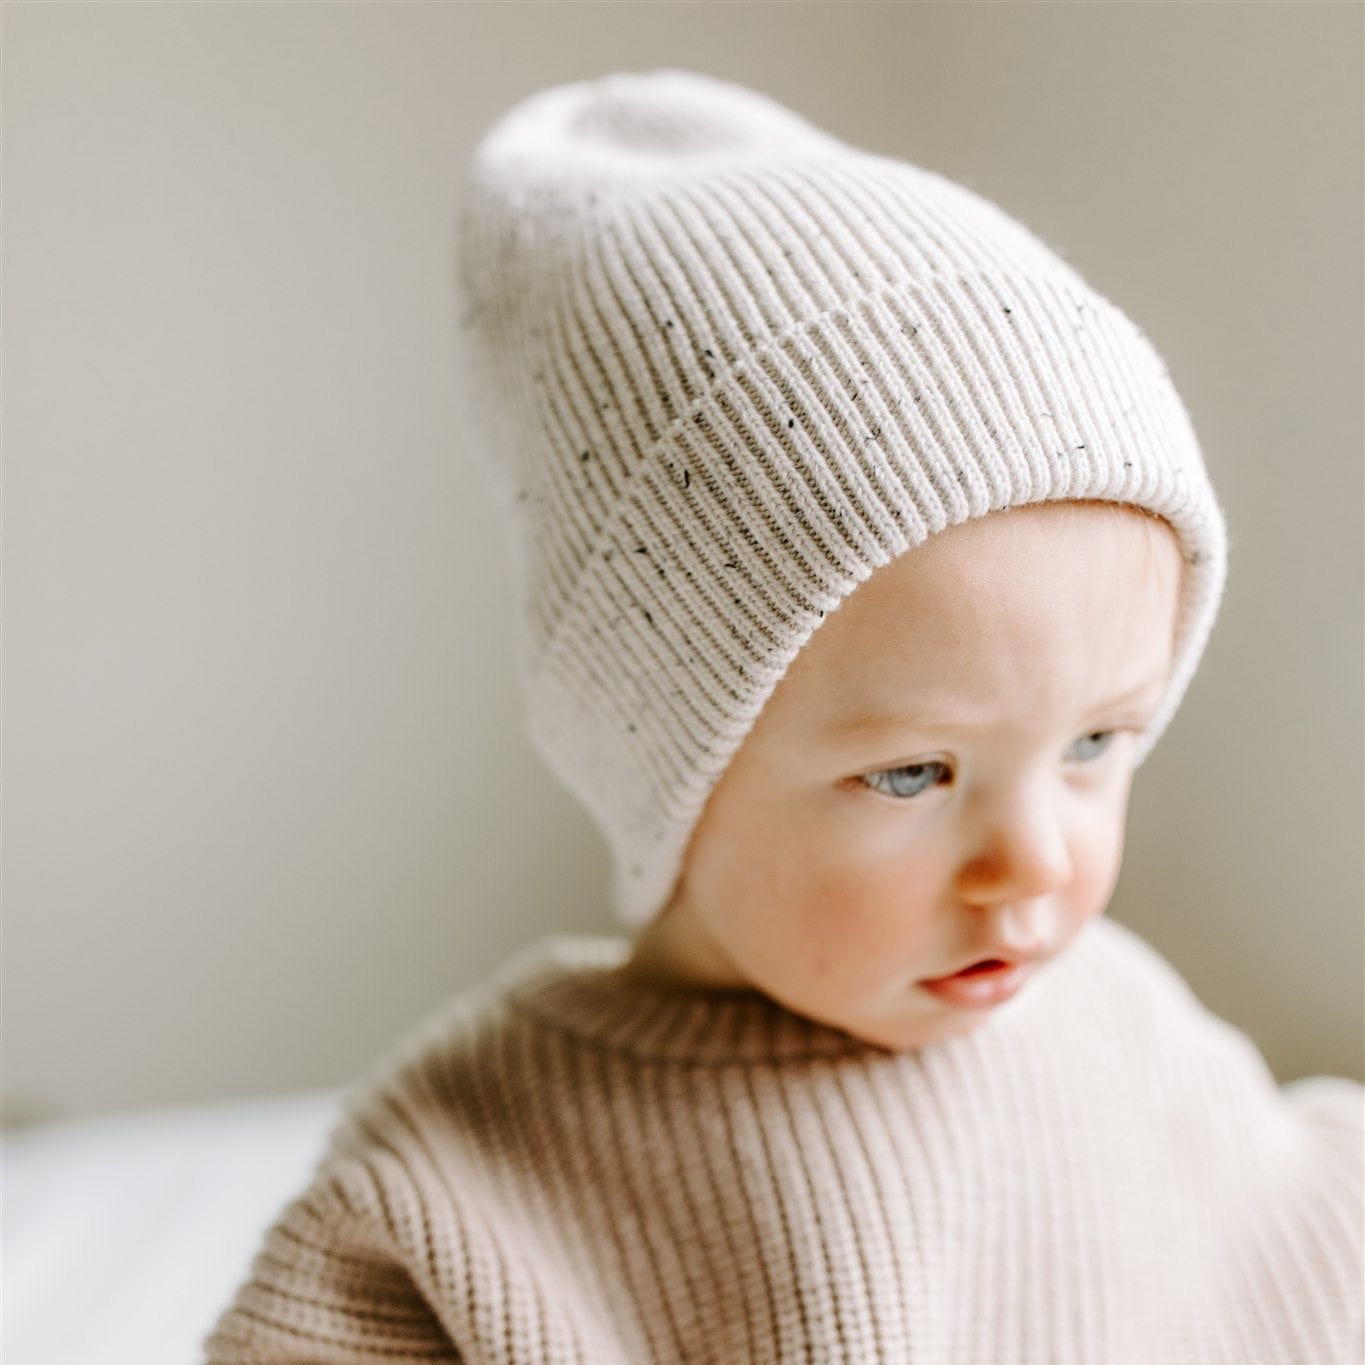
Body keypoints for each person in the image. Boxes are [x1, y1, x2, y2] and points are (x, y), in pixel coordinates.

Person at [202, 69, 1363, 1364]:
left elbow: (1300, 1241)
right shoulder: (465, 1173)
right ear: (669, 762)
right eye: (915, 773)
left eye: (1095, 742)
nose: (1035, 860)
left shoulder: (1120, 1028)